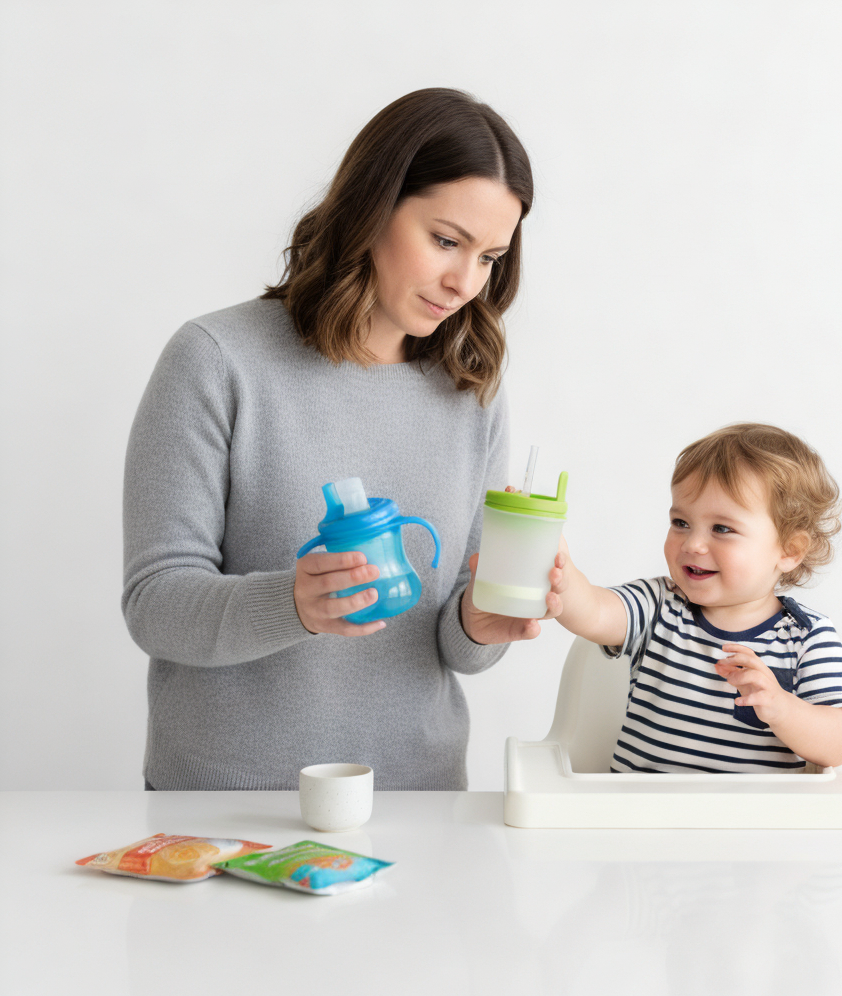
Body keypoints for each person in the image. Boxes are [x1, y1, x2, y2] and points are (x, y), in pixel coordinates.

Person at [122, 88, 540, 791]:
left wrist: (481, 619)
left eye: (490, 257)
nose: (465, 282)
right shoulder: (216, 360)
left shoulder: (472, 388)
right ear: (371, 209)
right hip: (229, 810)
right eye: (446, 240)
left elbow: (457, 647)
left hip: (416, 801)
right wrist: (293, 604)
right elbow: (156, 605)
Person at [543, 423, 842, 772]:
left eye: (722, 529)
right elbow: (592, 611)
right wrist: (559, 572)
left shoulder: (807, 637)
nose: (692, 544)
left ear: (789, 549)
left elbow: (841, 742)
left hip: (751, 825)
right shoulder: (658, 604)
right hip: (641, 820)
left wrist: (783, 709)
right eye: (681, 522)